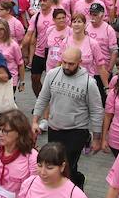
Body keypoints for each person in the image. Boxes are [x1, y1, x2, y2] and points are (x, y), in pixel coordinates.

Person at [33, 45, 105, 188]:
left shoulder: (89, 83)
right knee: (59, 164)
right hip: (54, 128)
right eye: (64, 62)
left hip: (76, 131)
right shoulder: (52, 74)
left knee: (66, 167)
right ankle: (77, 180)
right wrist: (35, 121)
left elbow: (97, 111)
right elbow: (42, 98)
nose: (66, 66)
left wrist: (97, 138)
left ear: (80, 62)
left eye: (71, 64)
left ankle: (68, 196)